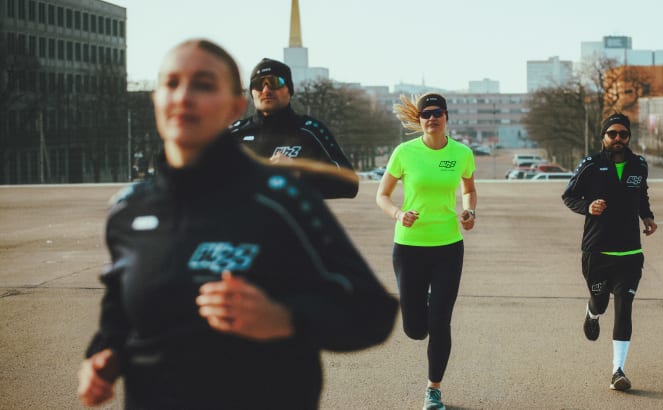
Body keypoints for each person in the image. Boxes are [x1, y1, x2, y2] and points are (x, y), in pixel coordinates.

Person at [76, 39, 397, 409]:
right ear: (156, 100)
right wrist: (103, 354)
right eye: (171, 83)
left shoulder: (286, 200)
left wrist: (285, 319)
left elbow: (372, 312)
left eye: (203, 84)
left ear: (230, 105)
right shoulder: (127, 211)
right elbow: (119, 317)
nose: (184, 96)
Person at [376, 93, 477, 410]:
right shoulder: (404, 153)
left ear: (446, 116)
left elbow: (469, 189)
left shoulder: (461, 153)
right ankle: (425, 305)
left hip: (448, 246)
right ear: (419, 120)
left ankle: (433, 390)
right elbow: (382, 194)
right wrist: (397, 214)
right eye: (425, 114)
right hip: (409, 247)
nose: (431, 118)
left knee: (440, 322)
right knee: (415, 329)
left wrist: (469, 211)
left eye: (437, 113)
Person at [562, 112, 657, 392]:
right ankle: (592, 313)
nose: (618, 139)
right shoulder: (591, 164)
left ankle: (618, 371)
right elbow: (569, 196)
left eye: (623, 134)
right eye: (612, 134)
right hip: (597, 252)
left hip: (629, 253)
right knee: (601, 301)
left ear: (629, 137)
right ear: (603, 137)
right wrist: (588, 206)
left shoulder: (639, 165)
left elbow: (642, 195)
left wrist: (647, 217)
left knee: (624, 309)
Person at [229, 58, 359, 199]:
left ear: (289, 90)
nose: (266, 90)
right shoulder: (233, 134)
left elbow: (350, 184)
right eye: (258, 84)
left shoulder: (311, 130)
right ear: (252, 92)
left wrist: (299, 174)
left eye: (274, 82)